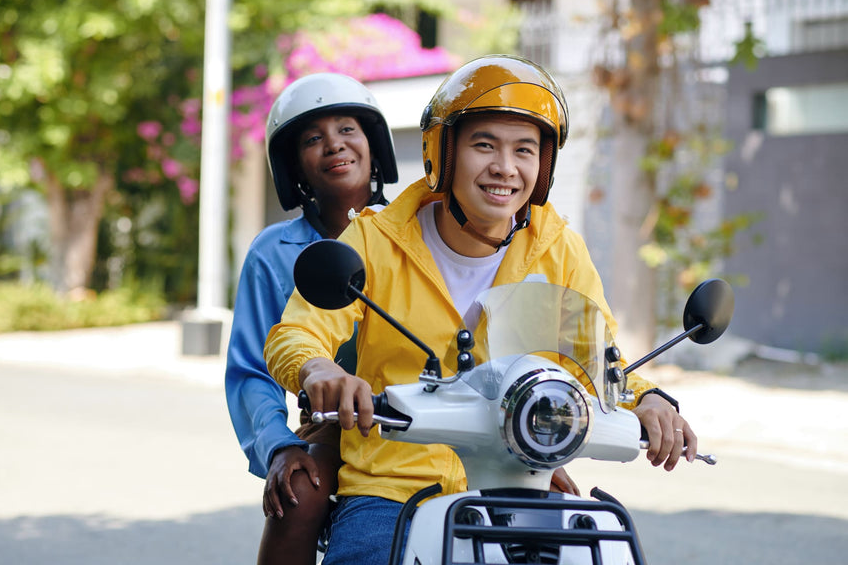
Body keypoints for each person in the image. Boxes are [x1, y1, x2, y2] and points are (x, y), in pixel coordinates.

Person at [265, 55, 698, 565]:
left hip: (522, 478)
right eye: (484, 144)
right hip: (392, 487)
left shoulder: (560, 248)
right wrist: (321, 370)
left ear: (544, 165)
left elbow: (598, 362)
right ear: (442, 153)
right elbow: (298, 332)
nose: (505, 167)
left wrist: (648, 401)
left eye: (524, 149)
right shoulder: (376, 239)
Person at [224, 72, 398, 565]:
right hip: (337, 428)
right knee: (298, 494)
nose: (334, 146)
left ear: (373, 144)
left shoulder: (418, 229)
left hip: (432, 424)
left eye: (347, 129)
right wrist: (278, 445)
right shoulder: (272, 251)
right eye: (312, 139)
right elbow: (251, 371)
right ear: (293, 164)